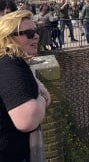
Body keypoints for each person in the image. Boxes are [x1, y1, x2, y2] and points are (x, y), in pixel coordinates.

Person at [0, 10, 52, 161]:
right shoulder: (9, 66)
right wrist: (41, 98)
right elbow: (27, 121)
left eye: (36, 31)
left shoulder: (10, 61)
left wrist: (37, 84)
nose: (36, 36)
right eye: (28, 33)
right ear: (8, 37)